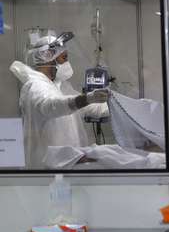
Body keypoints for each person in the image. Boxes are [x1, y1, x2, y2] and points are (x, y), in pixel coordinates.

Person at [9, 34, 109, 168]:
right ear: (48, 57)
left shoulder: (59, 86)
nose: (67, 63)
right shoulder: (35, 86)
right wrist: (87, 98)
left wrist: (118, 106)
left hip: (67, 163)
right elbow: (51, 105)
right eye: (64, 58)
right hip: (46, 171)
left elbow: (89, 107)